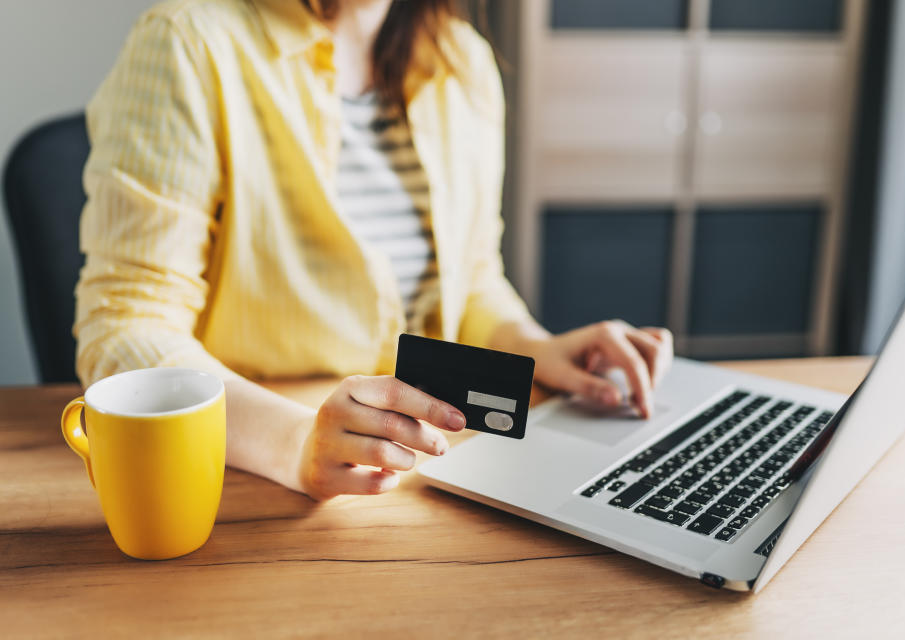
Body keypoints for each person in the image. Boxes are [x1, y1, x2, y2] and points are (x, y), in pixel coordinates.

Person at [76, 0, 673, 501]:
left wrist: (533, 345)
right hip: (252, 481)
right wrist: (298, 442)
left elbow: (468, 278)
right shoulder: (186, 43)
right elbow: (125, 329)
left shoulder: (461, 61)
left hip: (429, 467)